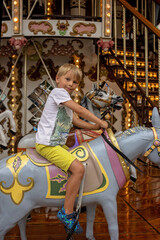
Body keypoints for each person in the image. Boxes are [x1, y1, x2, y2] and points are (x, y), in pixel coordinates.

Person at [35, 63, 108, 233]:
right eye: (67, 79)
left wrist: (93, 128)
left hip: (57, 144)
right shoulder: (57, 93)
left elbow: (76, 121)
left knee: (82, 162)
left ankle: (74, 198)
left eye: (75, 82)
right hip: (48, 144)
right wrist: (99, 122)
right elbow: (80, 110)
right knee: (79, 169)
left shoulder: (65, 100)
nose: (70, 84)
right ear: (57, 79)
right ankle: (66, 212)